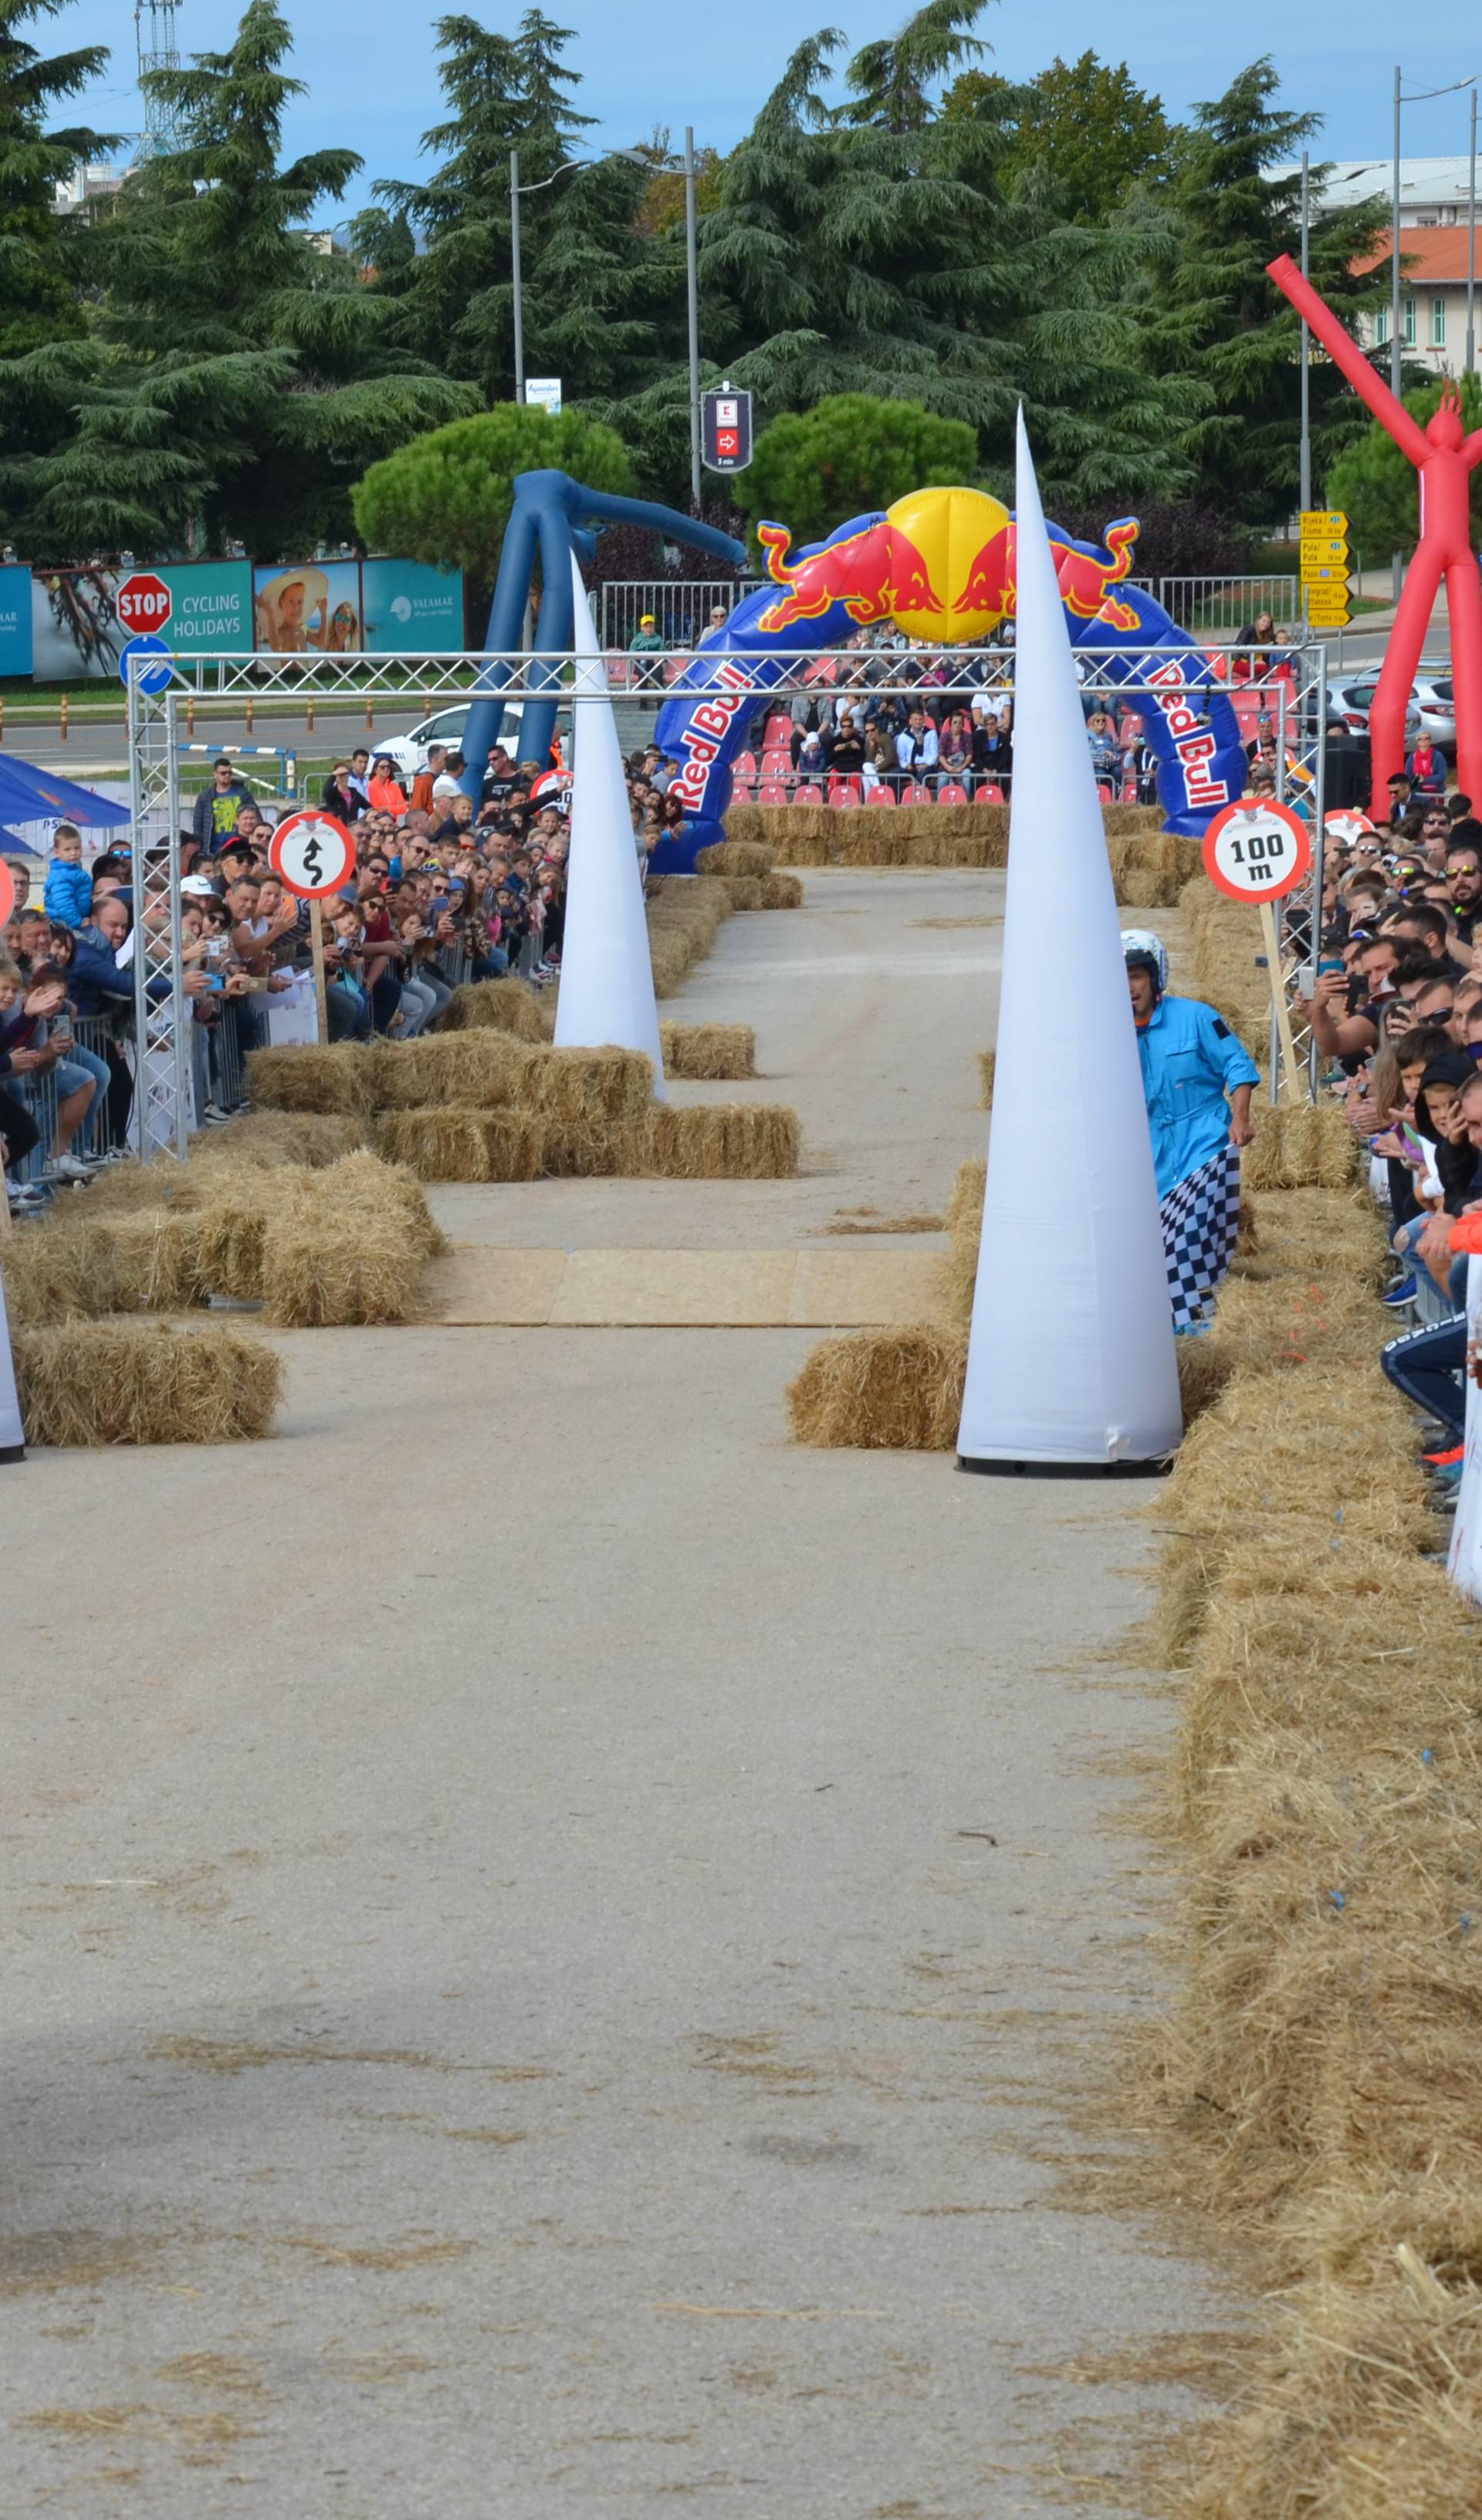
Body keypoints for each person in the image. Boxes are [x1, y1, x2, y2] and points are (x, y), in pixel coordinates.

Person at [1123, 930, 1259, 1333]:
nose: (1128, 987)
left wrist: (1241, 1116)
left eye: (1135, 976)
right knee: (1157, 1244)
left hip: (1203, 1140)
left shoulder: (1197, 1017)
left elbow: (1238, 1065)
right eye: (1119, 977)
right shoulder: (1104, 1033)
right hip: (1148, 1148)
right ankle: (1166, 1329)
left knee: (1189, 1234)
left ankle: (1193, 1333)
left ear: (1155, 977)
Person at [192, 757, 252, 851]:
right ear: (215, 774)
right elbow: (198, 825)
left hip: (239, 846)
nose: (227, 775)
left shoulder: (243, 794)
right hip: (213, 849)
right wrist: (198, 847)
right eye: (223, 773)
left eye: (230, 773)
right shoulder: (205, 797)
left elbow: (255, 817)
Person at [43, 823, 93, 930]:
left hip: (73, 921)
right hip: (64, 925)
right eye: (67, 849)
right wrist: (77, 922)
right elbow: (63, 903)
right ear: (57, 852)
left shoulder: (73, 871)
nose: (73, 853)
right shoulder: (61, 876)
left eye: (77, 848)